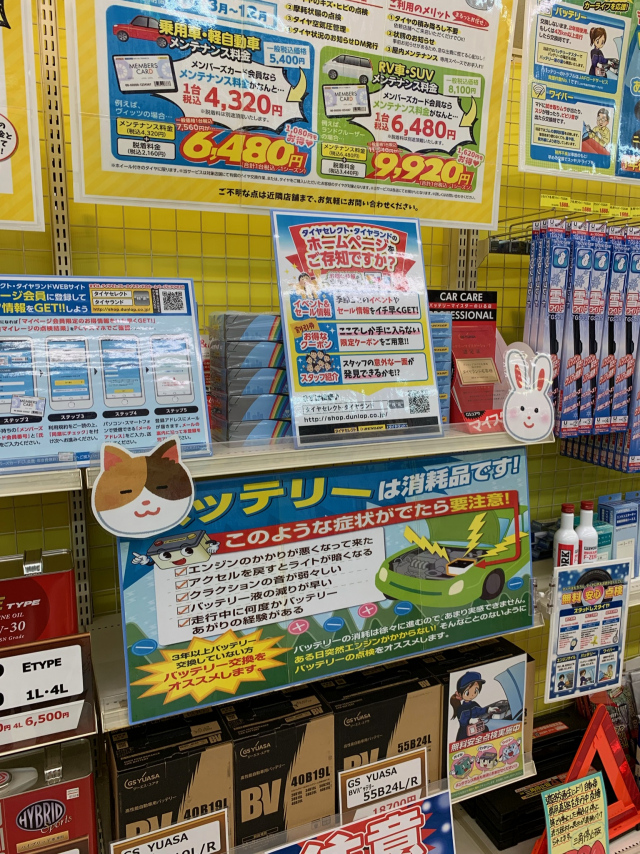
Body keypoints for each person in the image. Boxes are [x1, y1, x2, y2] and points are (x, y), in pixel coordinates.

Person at [450, 671, 501, 741]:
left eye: (475, 691)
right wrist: (469, 720)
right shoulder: (461, 709)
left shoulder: (474, 704)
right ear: (459, 694)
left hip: (476, 730)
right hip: (465, 734)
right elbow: (462, 721)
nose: (472, 694)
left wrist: (488, 709)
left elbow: (479, 710)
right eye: (467, 692)